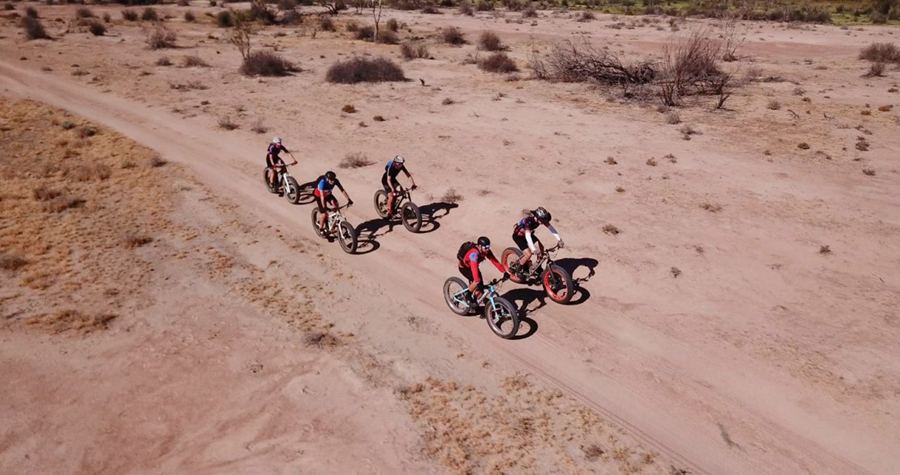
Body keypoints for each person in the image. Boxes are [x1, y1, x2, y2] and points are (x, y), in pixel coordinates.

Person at [509, 207, 564, 278]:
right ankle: (518, 269)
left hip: (528, 234)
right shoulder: (529, 222)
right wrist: (533, 249)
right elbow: (528, 236)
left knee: (541, 248)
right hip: (519, 237)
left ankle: (537, 267)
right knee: (528, 254)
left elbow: (551, 228)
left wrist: (559, 239)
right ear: (536, 217)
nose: (542, 223)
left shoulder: (541, 220)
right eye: (541, 221)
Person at [458, 236, 508, 303]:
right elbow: (474, 268)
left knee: (480, 289)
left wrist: (504, 271)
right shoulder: (474, 254)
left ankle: (474, 301)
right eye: (486, 247)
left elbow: (494, 261)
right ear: (479, 246)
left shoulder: (486, 251)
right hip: (465, 268)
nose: (488, 249)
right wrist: (477, 281)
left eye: (489, 247)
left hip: (473, 267)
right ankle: (467, 295)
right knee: (476, 282)